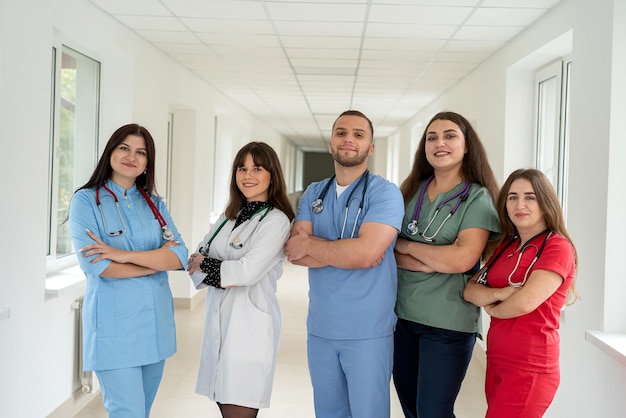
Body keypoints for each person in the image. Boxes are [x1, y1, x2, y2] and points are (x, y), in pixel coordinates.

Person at [284, 110, 405, 418]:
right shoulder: (314, 192)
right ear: (331, 143)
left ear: (371, 147)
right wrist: (350, 252)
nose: (348, 139)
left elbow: (364, 254)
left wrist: (326, 248)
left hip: (367, 331)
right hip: (321, 329)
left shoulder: (385, 194)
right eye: (341, 133)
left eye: (358, 134)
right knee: (328, 412)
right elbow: (295, 252)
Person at [68, 123, 188, 418]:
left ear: (148, 162)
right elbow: (99, 266)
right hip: (115, 330)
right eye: (124, 148)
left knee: (142, 412)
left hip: (155, 327)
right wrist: (155, 263)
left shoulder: (154, 203)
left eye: (141, 152)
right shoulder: (86, 201)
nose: (131, 156)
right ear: (111, 151)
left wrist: (125, 255)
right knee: (127, 412)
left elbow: (180, 256)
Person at [393, 111, 500, 418]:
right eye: (432, 137)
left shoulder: (477, 199)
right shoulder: (410, 191)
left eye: (450, 136)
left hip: (448, 323)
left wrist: (409, 245)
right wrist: (432, 259)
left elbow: (462, 259)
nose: (440, 143)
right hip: (402, 317)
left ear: (467, 146)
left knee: (432, 412)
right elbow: (386, 251)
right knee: (411, 408)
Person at [187, 141, 295, 418]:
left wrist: (210, 266)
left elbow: (247, 272)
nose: (248, 175)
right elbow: (195, 260)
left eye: (257, 168)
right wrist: (218, 269)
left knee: (239, 404)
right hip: (220, 320)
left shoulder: (276, 221)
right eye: (242, 168)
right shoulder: (227, 217)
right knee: (224, 402)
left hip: (250, 327)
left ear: (272, 175)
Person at [464, 168, 577, 418]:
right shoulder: (507, 246)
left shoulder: (557, 247)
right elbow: (471, 290)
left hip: (531, 366)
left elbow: (525, 302)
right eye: (513, 197)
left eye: (530, 197)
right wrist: (501, 293)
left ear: (545, 202)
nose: (520, 204)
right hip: (498, 360)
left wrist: (493, 307)